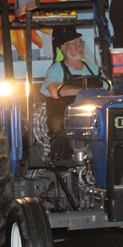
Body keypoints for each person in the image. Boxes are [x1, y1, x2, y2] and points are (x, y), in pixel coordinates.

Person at [40, 27, 110, 161]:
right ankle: (59, 164)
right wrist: (85, 91)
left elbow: (108, 88)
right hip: (63, 113)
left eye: (81, 43)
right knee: (60, 129)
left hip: (92, 112)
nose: (80, 47)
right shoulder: (56, 69)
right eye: (75, 44)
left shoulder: (92, 67)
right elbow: (55, 90)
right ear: (63, 48)